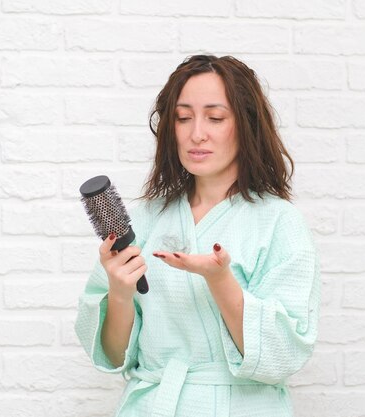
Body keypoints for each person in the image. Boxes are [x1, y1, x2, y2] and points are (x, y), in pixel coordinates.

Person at [75, 55, 320, 417]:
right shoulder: (145, 220)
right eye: (183, 117)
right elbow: (112, 356)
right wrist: (121, 293)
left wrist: (220, 280)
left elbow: (281, 356)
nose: (196, 134)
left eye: (216, 118)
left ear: (247, 125)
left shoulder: (279, 222)